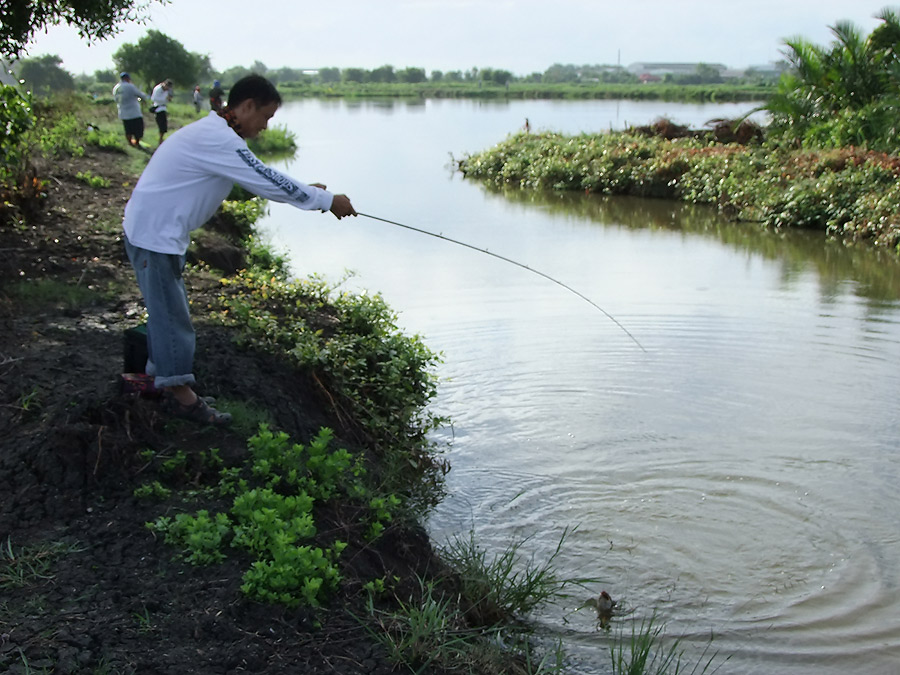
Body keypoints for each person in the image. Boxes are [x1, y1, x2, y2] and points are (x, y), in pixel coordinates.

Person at [121, 74, 357, 426]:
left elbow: (256, 180)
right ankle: (181, 398)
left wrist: (305, 191)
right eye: (265, 117)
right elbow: (263, 177)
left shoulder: (217, 135)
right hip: (154, 235)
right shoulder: (219, 139)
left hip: (155, 232)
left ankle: (162, 382)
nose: (264, 127)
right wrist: (326, 200)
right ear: (246, 106)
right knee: (172, 316)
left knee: (167, 310)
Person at [112, 72, 149, 147]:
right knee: (138, 129)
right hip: (134, 112)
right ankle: (137, 142)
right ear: (127, 78)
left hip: (123, 112)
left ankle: (130, 143)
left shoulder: (116, 88)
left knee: (128, 129)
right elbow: (140, 95)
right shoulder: (130, 86)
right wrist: (144, 98)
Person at [150, 78, 174, 144]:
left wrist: (168, 99)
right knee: (162, 126)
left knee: (164, 126)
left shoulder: (166, 90)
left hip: (163, 108)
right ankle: (160, 140)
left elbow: (168, 98)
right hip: (158, 109)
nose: (168, 89)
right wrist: (165, 99)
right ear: (164, 84)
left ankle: (161, 139)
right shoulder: (157, 89)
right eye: (167, 87)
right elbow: (154, 99)